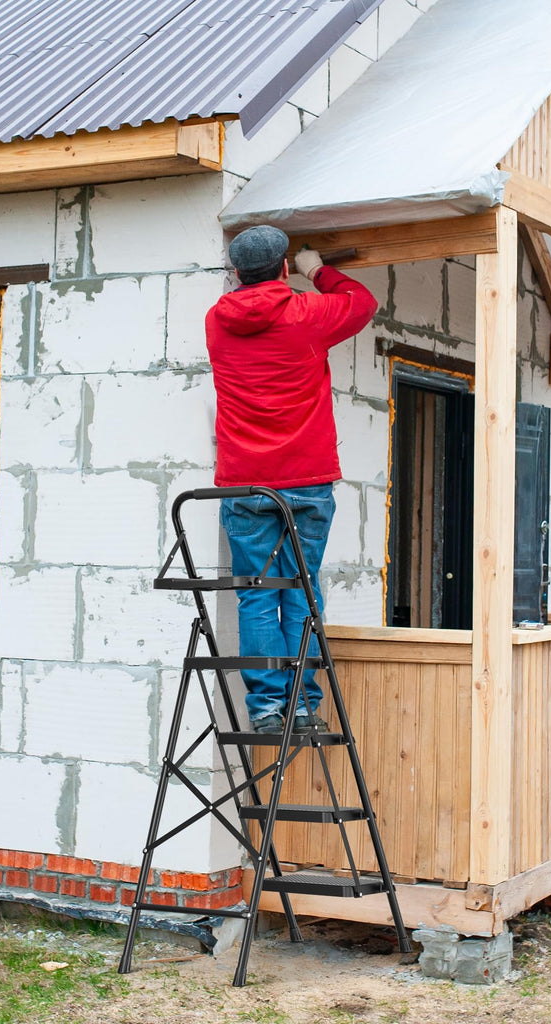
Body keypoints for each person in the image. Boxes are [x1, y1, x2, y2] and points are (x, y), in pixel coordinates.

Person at [205, 225, 378, 733]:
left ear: (236, 272)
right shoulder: (308, 313)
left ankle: (265, 711)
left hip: (244, 484)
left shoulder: (217, 321)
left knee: (257, 594)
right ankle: (302, 708)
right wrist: (316, 269)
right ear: (283, 267)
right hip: (306, 480)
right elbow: (362, 302)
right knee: (301, 590)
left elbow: (250, 305)